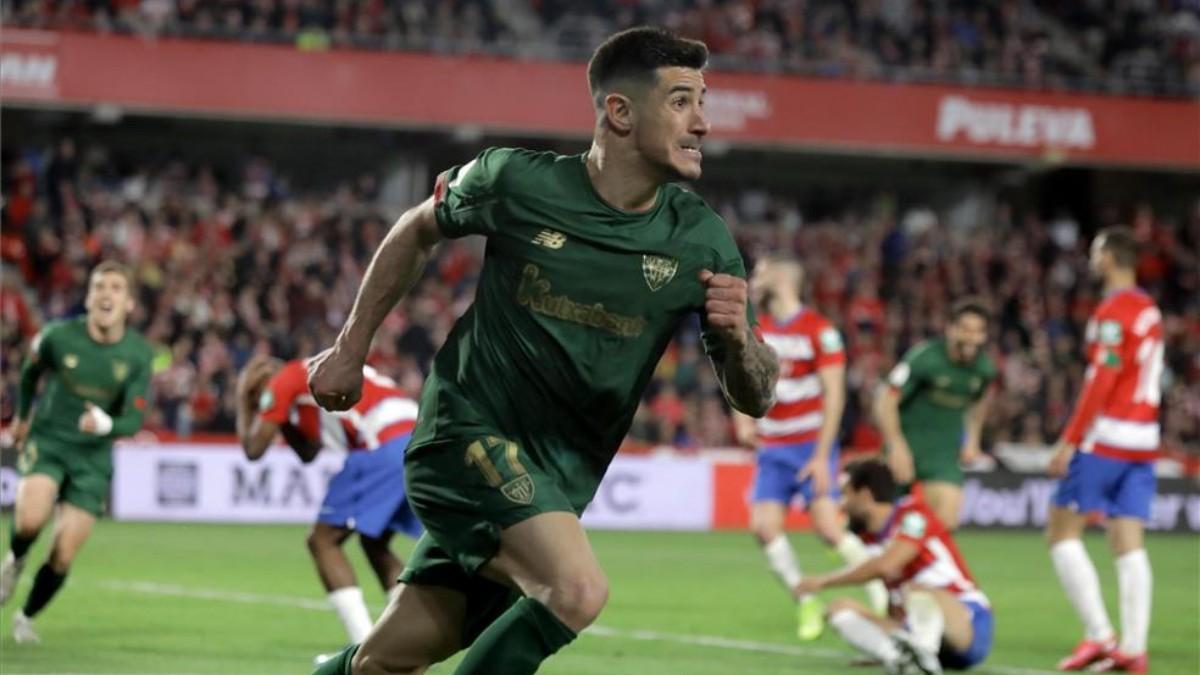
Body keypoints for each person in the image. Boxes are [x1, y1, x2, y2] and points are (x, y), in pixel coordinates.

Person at [306, 26, 779, 675]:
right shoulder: (514, 181)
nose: (702, 121)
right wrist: (349, 348)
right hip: (466, 435)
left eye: (703, 101)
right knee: (576, 589)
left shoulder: (700, 239)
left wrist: (737, 342)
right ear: (618, 111)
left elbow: (757, 392)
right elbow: (414, 229)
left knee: (382, 663)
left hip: (555, 484)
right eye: (680, 101)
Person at [732, 255, 886, 640]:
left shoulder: (820, 330)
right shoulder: (758, 328)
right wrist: (742, 418)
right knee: (763, 528)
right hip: (773, 446)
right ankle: (806, 601)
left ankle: (883, 591)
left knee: (829, 529)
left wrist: (821, 458)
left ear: (782, 277)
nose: (755, 277)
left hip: (808, 445)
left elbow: (835, 397)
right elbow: (737, 374)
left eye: (763, 271)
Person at [0, 261, 152, 643]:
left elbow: (133, 422)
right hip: (49, 440)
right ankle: (15, 559)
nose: (106, 294)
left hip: (92, 458)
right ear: (88, 297)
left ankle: (26, 615)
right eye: (100, 286)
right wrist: (20, 418)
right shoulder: (57, 337)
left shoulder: (137, 355)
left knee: (64, 553)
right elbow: (30, 373)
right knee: (31, 519)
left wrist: (107, 426)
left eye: (116, 288)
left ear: (129, 303)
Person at [236, 356, 422, 655]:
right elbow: (308, 453)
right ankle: (412, 640)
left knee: (322, 541)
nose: (264, 409)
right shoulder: (305, 378)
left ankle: (364, 649)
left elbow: (254, 449)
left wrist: (244, 405)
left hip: (383, 442)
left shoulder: (281, 380)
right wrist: (282, 416)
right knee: (374, 543)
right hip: (420, 437)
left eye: (259, 401)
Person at [1046, 227, 1161, 674]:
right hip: (1143, 439)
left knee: (1061, 530)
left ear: (1110, 257)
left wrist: (1069, 440)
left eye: (1096, 252)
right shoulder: (1148, 309)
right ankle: (1133, 649)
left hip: (1109, 436)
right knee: (1128, 542)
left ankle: (1098, 636)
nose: (1091, 259)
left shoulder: (1113, 311)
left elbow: (1102, 380)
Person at [796, 460, 993, 674]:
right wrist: (880, 642)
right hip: (917, 625)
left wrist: (823, 581)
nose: (842, 505)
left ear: (865, 495)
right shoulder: (869, 538)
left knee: (916, 590)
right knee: (839, 608)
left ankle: (921, 657)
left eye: (846, 495)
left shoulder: (914, 515)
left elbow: (887, 565)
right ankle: (897, 656)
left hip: (966, 621)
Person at [875, 299, 996, 530]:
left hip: (943, 457)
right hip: (906, 448)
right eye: (965, 329)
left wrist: (972, 441)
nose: (971, 338)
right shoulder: (923, 358)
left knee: (944, 525)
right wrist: (896, 445)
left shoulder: (984, 369)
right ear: (950, 329)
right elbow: (886, 401)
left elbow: (979, 403)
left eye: (978, 332)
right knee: (882, 527)